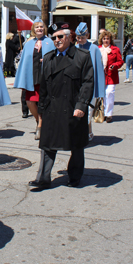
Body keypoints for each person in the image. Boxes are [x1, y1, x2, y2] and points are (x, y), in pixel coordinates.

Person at [28, 22, 94, 190]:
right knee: (47, 144)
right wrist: (41, 110)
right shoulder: (49, 57)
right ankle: (43, 178)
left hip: (73, 107)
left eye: (60, 37)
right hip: (52, 108)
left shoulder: (82, 56)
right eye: (54, 37)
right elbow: (44, 86)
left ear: (69, 37)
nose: (56, 40)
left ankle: (75, 176)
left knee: (76, 145)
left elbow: (87, 83)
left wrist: (81, 105)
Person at [13, 19, 55, 140]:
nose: (39, 29)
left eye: (41, 27)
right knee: (30, 101)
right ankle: (39, 121)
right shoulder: (29, 43)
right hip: (32, 76)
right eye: (37, 27)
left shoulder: (50, 42)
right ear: (33, 30)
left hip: (44, 77)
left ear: (45, 28)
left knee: (42, 103)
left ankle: (41, 126)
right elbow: (24, 61)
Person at [75, 22, 106, 141]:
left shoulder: (94, 49)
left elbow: (98, 70)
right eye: (78, 37)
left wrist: (100, 91)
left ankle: (84, 135)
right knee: (78, 111)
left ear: (87, 35)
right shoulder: (74, 48)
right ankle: (88, 132)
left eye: (82, 37)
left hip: (90, 87)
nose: (80, 40)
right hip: (77, 86)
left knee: (87, 112)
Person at [98, 30, 123, 123]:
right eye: (104, 39)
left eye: (107, 39)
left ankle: (109, 114)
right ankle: (103, 113)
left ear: (110, 40)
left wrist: (114, 65)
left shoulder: (115, 49)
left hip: (111, 75)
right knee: (102, 95)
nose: (106, 40)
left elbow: (120, 61)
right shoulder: (98, 49)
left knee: (109, 93)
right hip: (101, 76)